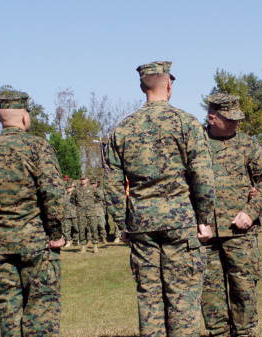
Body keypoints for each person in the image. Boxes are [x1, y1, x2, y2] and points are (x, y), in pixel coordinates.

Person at [104, 61, 215, 337]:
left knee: (150, 300)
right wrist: (204, 219)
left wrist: (122, 223)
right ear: (168, 85)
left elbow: (112, 183)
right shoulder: (186, 123)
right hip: (180, 222)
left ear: (143, 87)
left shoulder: (123, 129)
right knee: (183, 300)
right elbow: (202, 177)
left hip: (141, 223)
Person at [0, 88, 65, 336]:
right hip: (37, 243)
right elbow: (53, 194)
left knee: (9, 314)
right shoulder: (37, 148)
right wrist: (56, 232)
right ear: (25, 117)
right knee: (41, 310)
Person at [201, 93, 262, 337]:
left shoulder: (247, 144)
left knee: (244, 290)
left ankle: (245, 333)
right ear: (212, 117)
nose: (236, 124)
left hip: (239, 232)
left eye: (237, 118)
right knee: (211, 295)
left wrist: (251, 212)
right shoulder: (195, 144)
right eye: (229, 119)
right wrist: (195, 222)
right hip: (205, 236)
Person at [76, 176, 100, 253]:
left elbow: (99, 197)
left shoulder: (92, 188)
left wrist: (92, 204)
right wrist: (79, 206)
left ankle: (95, 246)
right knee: (81, 229)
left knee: (94, 228)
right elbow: (72, 199)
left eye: (84, 179)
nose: (83, 180)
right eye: (81, 179)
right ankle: (83, 247)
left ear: (88, 180)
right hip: (81, 212)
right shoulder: (77, 189)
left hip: (91, 212)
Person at [91, 180, 108, 244]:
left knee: (102, 225)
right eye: (91, 184)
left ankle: (103, 238)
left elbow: (102, 197)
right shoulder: (88, 191)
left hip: (99, 211)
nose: (93, 185)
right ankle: (95, 239)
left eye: (94, 184)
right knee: (93, 227)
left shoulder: (99, 190)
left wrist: (95, 190)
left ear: (96, 184)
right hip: (91, 211)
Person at [63, 181, 79, 248]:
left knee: (76, 228)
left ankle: (76, 240)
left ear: (72, 188)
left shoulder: (75, 195)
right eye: (67, 188)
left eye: (70, 187)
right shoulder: (64, 196)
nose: (68, 189)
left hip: (74, 214)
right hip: (66, 214)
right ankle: (68, 241)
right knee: (67, 229)